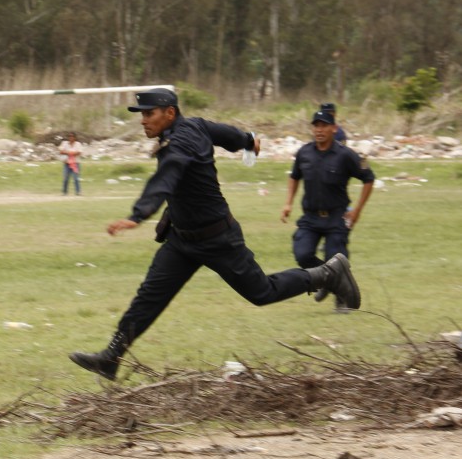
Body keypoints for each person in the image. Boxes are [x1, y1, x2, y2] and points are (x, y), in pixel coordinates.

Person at [68, 88, 361, 380]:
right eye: (142, 115)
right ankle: (111, 357)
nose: (143, 120)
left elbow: (167, 175)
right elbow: (226, 134)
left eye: (149, 114)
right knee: (149, 297)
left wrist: (139, 214)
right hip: (182, 240)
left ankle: (327, 273)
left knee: (262, 292)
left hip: (217, 238)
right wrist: (248, 141)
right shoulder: (194, 125)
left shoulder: (181, 141)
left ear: (169, 113)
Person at [281, 109, 375, 313]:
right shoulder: (304, 152)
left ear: (334, 128)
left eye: (324, 125)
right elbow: (294, 176)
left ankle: (341, 299)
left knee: (336, 257)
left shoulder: (346, 155)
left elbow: (369, 178)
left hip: (336, 218)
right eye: (316, 125)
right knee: (303, 254)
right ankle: (327, 281)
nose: (319, 130)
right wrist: (288, 203)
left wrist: (357, 210)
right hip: (310, 217)